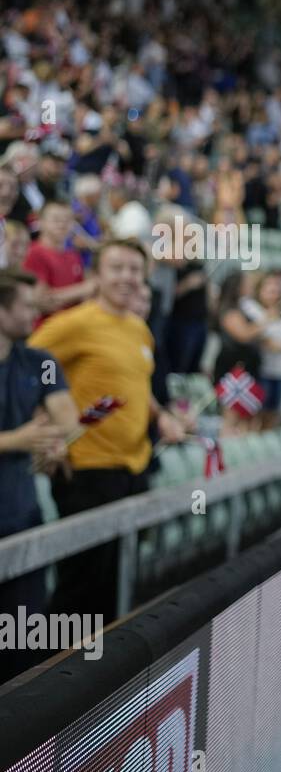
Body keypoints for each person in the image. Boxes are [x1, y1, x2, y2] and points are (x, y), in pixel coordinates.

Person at [26, 239, 187, 622]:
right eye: (117, 268)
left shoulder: (139, 329)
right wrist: (43, 431)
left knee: (117, 583)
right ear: (96, 276)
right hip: (86, 471)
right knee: (80, 585)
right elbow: (20, 369)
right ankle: (58, 675)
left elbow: (137, 386)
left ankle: (104, 671)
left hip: (133, 469)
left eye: (134, 269)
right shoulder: (72, 324)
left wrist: (161, 415)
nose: (127, 277)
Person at [0, 270, 78, 683]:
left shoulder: (40, 362)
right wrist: (19, 438)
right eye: (27, 305)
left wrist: (53, 440)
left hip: (23, 519)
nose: (37, 312)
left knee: (22, 645)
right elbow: (28, 435)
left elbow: (68, 420)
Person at [22, 201, 97, 327]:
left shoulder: (73, 255)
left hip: (73, 326)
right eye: (56, 219)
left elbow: (85, 296)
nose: (62, 224)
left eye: (67, 219)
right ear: (41, 222)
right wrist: (85, 288)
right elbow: (41, 301)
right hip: (46, 329)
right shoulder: (35, 252)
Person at [212, 271, 265, 436]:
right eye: (246, 283)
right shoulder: (229, 310)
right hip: (233, 370)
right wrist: (266, 322)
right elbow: (243, 334)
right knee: (231, 417)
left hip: (248, 368)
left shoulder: (244, 307)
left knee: (248, 419)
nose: (249, 286)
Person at [244, 270, 281, 430]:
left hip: (280, 372)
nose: (275, 294)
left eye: (277, 290)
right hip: (261, 371)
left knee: (272, 415)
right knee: (256, 416)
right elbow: (267, 342)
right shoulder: (252, 309)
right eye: (270, 290)